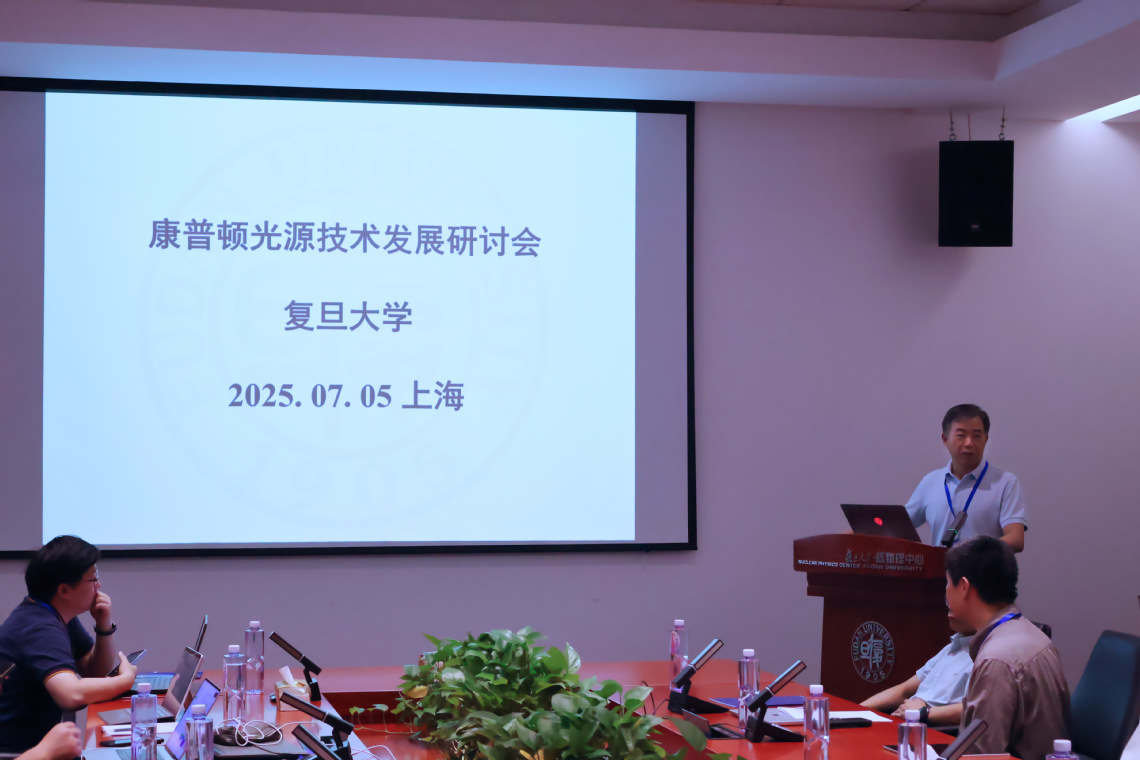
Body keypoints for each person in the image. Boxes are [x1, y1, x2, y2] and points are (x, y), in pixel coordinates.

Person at [0, 535, 139, 753]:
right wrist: (125, 680)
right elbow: (71, 696)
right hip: (19, 753)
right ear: (64, 590)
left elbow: (95, 672)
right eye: (93, 579)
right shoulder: (38, 627)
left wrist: (103, 626)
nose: (99, 586)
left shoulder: (55, 615)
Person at [945, 536, 1069, 760]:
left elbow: (981, 755)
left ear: (963, 587)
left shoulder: (996, 661)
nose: (945, 591)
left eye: (947, 582)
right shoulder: (1033, 635)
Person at [906, 404, 1027, 552]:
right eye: (961, 435)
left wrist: (975, 551)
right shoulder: (930, 482)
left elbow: (1016, 539)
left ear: (986, 439)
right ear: (945, 439)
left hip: (984, 566)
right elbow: (899, 526)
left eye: (976, 436)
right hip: (939, 567)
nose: (969, 443)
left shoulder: (1006, 482)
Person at [860, 615, 976, 727]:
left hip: (933, 729)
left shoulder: (982, 654)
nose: (949, 606)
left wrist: (922, 712)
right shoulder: (953, 646)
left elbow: (974, 710)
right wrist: (857, 710)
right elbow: (904, 691)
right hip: (906, 720)